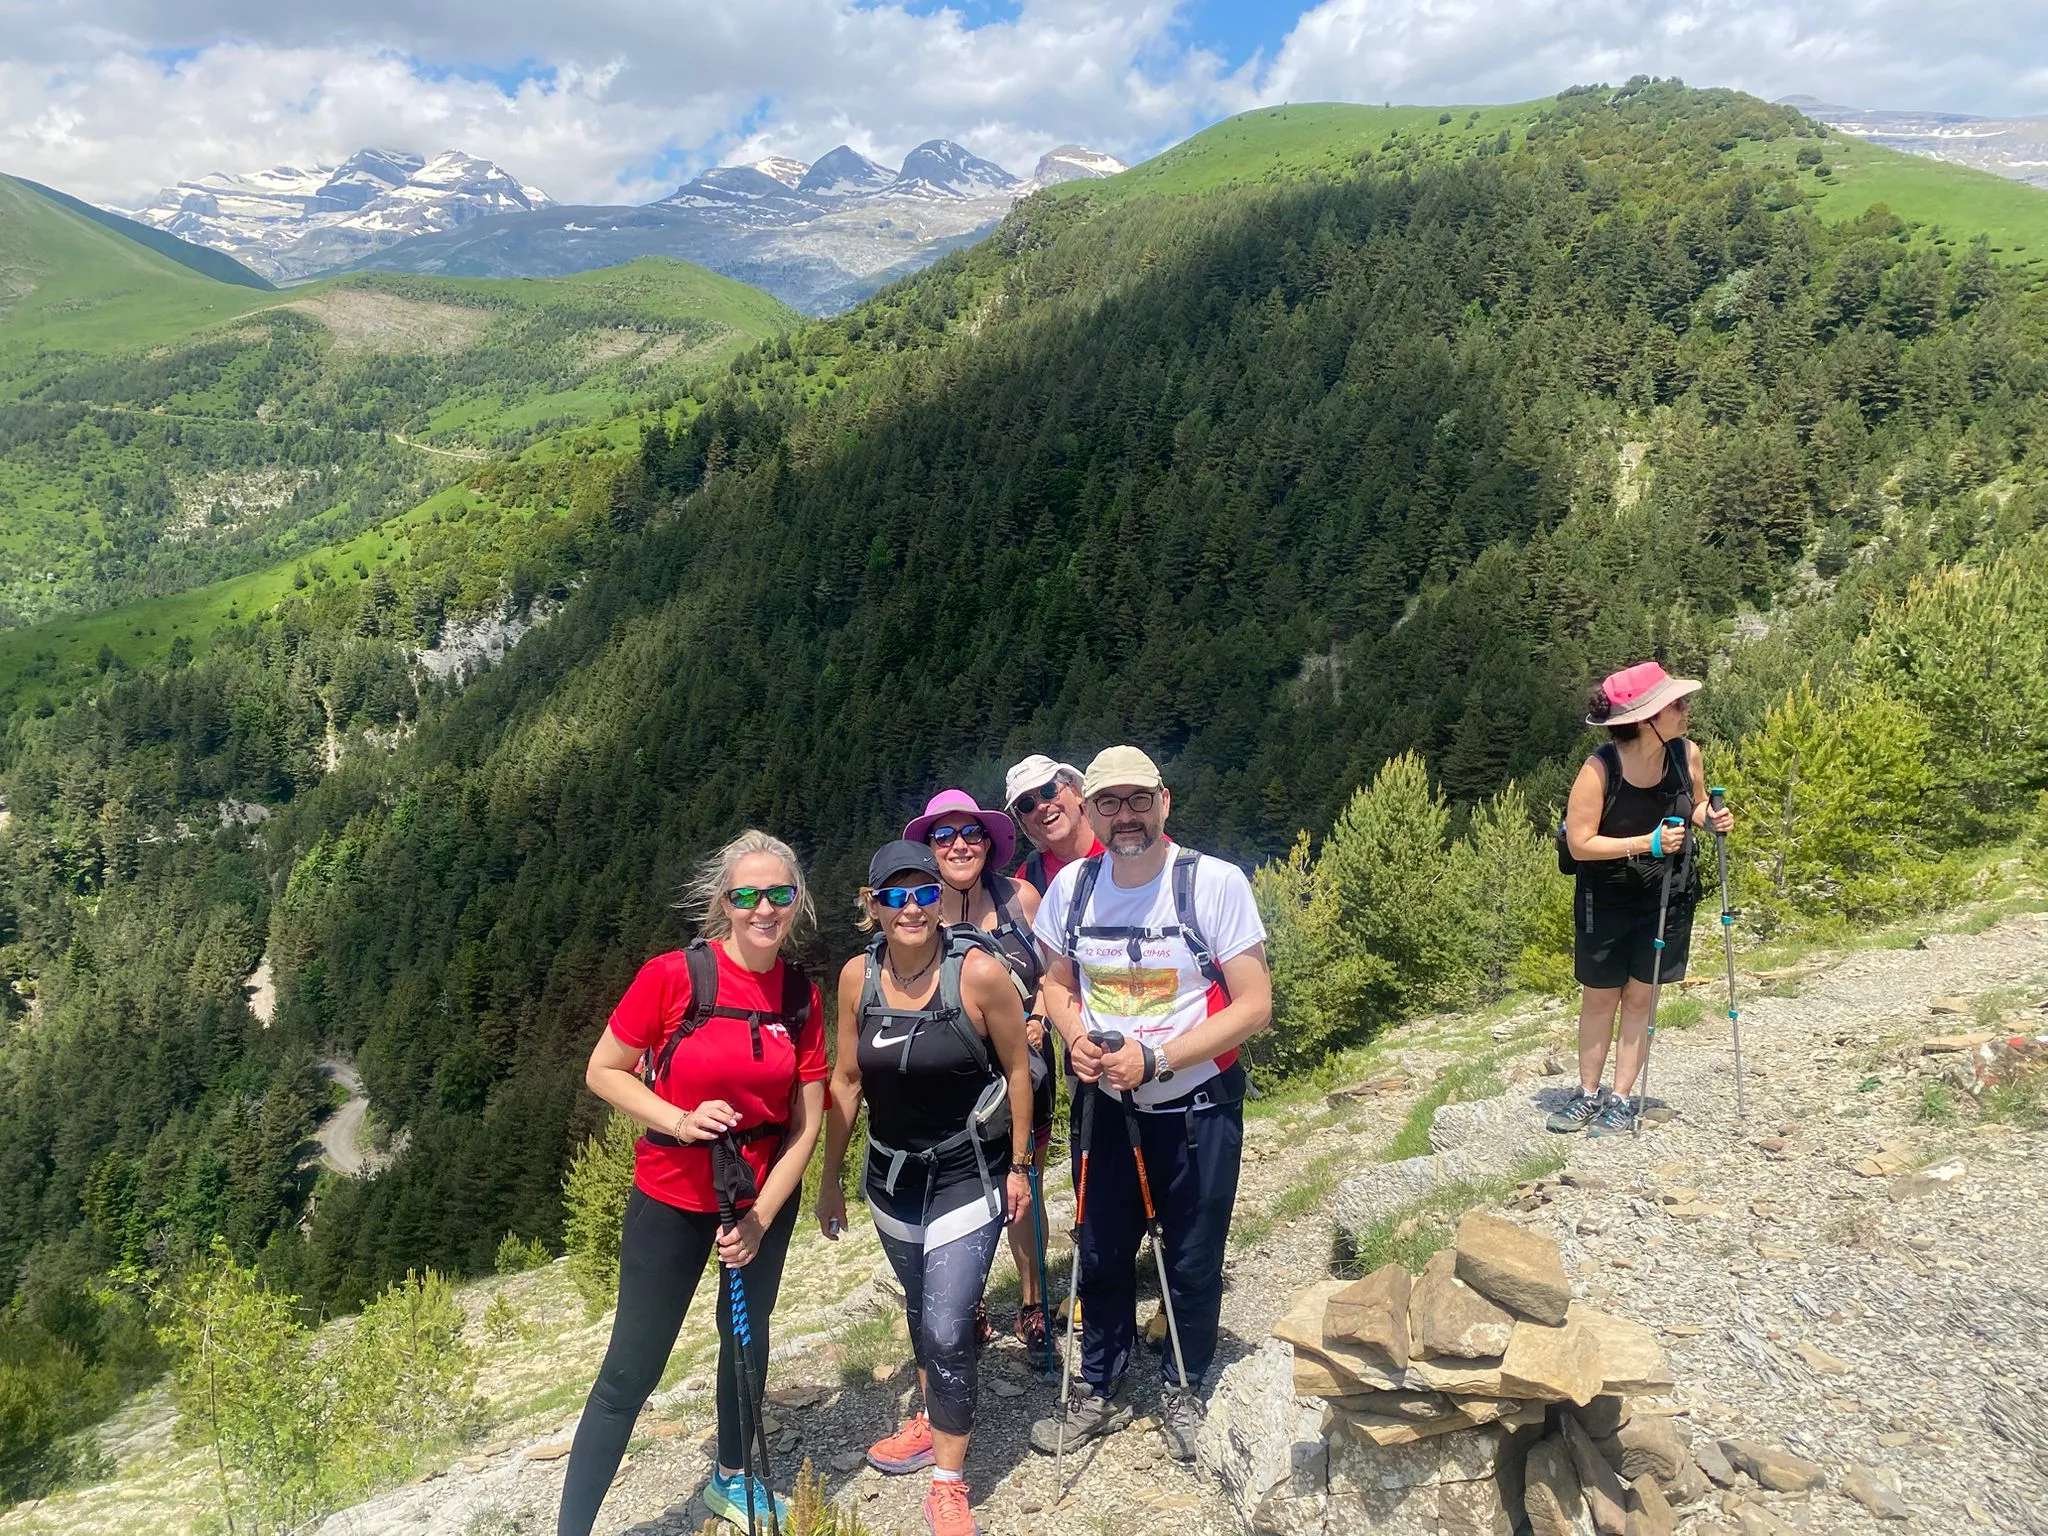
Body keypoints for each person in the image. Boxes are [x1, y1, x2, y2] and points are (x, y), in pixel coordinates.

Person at [558, 831, 827, 1536]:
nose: (763, 908)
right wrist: (680, 1120)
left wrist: (763, 1217)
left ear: (796, 902)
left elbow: (808, 1122)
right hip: (672, 1197)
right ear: (724, 903)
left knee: (746, 1341)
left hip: (759, 1198)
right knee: (629, 1373)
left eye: (778, 894)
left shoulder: (800, 995)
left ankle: (732, 1478)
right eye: (746, 895)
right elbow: (604, 1070)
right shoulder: (674, 976)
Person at [1025, 746, 1273, 1464]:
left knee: (1193, 1257)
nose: (1125, 816)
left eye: (1138, 800)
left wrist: (1159, 1058)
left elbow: (1255, 1005)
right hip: (1106, 1107)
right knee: (1101, 1250)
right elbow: (1057, 984)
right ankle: (1099, 1385)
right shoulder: (1073, 888)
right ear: (1089, 810)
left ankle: (1184, 1384)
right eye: (1109, 803)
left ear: (1165, 800)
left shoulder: (1214, 883)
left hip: (1197, 1105)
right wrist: (1075, 1039)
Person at [816, 841, 1034, 1536]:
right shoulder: (858, 977)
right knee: (922, 1311)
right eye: (896, 896)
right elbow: (847, 1081)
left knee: (946, 1323)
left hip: (968, 1172)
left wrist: (1021, 1164)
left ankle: (948, 1480)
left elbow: (1018, 1070)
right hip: (890, 1179)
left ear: (939, 900)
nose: (912, 907)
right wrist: (830, 1180)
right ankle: (933, 1409)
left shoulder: (979, 974)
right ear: (872, 905)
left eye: (923, 894)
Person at [1549, 662, 1735, 1139]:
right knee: (1599, 999)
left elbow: (1689, 804)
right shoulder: (1599, 770)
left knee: (1640, 998)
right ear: (1647, 717)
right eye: (1677, 703)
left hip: (1666, 896)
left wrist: (1707, 819)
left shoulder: (1686, 754)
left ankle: (1621, 1098)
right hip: (1606, 897)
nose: (1686, 708)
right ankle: (1587, 1094)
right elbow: (1580, 844)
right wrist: (1646, 844)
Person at [904, 788, 1056, 1365]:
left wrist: (1039, 1016)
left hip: (1024, 1067)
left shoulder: (1022, 899)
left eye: (971, 834)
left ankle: (1032, 1302)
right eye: (945, 836)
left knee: (1024, 1186)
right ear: (930, 847)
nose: (960, 845)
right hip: (953, 1076)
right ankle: (965, 1303)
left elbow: (1051, 974)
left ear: (989, 843)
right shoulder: (918, 908)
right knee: (959, 1191)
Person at [1003, 755, 1101, 896]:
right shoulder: (1028, 879)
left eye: (1048, 791)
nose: (1041, 806)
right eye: (1027, 804)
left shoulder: (1120, 848)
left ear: (1076, 792)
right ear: (1023, 822)